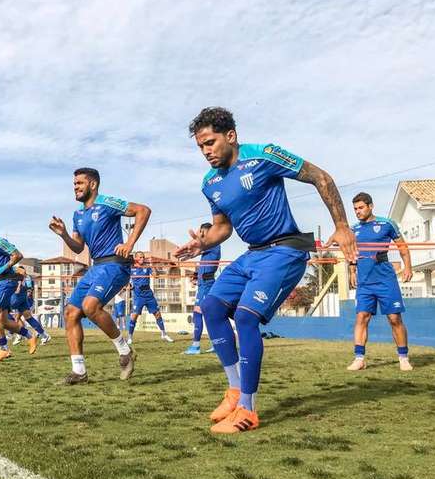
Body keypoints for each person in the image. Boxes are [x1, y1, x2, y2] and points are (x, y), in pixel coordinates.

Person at [176, 107, 357, 433]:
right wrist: (202, 244)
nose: (206, 151)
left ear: (230, 136)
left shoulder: (264, 156)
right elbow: (222, 227)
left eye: (210, 142)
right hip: (253, 254)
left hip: (286, 249)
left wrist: (342, 226)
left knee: (245, 317)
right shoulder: (210, 182)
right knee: (212, 306)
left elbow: (321, 177)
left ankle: (248, 409)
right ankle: (234, 390)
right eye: (201, 146)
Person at [49, 167, 151, 384]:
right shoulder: (78, 214)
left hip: (115, 265)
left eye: (79, 183)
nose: (75, 187)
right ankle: (79, 372)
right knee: (70, 313)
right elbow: (78, 248)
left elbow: (143, 210)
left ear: (92, 184)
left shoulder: (107, 203)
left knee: (90, 306)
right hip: (96, 267)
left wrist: (129, 243)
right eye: (74, 183)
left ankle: (125, 352)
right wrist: (64, 234)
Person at [348, 192, 413, 372]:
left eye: (361, 208)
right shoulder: (353, 230)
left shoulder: (387, 224)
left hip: (385, 279)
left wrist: (408, 267)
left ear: (370, 206)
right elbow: (351, 253)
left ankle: (403, 357)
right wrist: (352, 270)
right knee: (362, 316)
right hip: (365, 281)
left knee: (394, 318)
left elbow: (403, 247)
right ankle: (359, 358)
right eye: (355, 209)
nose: (358, 212)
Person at [0, 215, 38, 361]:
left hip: (7, 281)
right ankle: (30, 336)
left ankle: (4, 349)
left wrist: (2, 268)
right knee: (3, 321)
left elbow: (17, 255)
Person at [185, 223, 222, 355]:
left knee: (198, 313)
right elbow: (199, 255)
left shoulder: (213, 243)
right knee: (208, 314)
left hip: (207, 284)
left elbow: (199, 246)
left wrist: (195, 239)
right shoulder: (209, 246)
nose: (199, 233)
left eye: (201, 231)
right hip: (203, 283)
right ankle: (216, 344)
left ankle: (196, 346)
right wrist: (197, 278)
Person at [128, 251, 174, 344]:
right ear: (136, 258)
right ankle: (130, 337)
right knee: (134, 316)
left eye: (143, 257)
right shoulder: (131, 268)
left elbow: (156, 276)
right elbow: (127, 281)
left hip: (149, 295)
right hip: (138, 296)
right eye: (140, 257)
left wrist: (153, 267)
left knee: (157, 314)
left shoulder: (147, 267)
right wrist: (129, 286)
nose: (142, 259)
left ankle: (164, 334)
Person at [10, 267, 51, 345]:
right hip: (21, 299)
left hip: (26, 300)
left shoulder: (27, 278)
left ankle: (18, 334)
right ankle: (43, 335)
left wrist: (24, 292)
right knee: (22, 318)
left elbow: (29, 290)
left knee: (17, 317)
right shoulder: (19, 277)